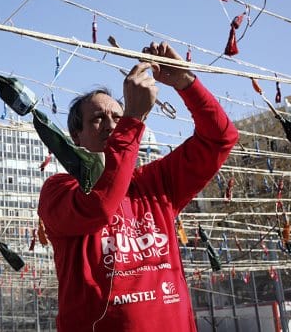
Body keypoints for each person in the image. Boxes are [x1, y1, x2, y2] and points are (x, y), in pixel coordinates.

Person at [38, 41, 239, 331]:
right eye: (98, 119)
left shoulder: (155, 182)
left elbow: (220, 138)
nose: (111, 125)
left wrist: (185, 82)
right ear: (76, 136)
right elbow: (101, 205)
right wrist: (131, 120)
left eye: (117, 117)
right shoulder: (58, 190)